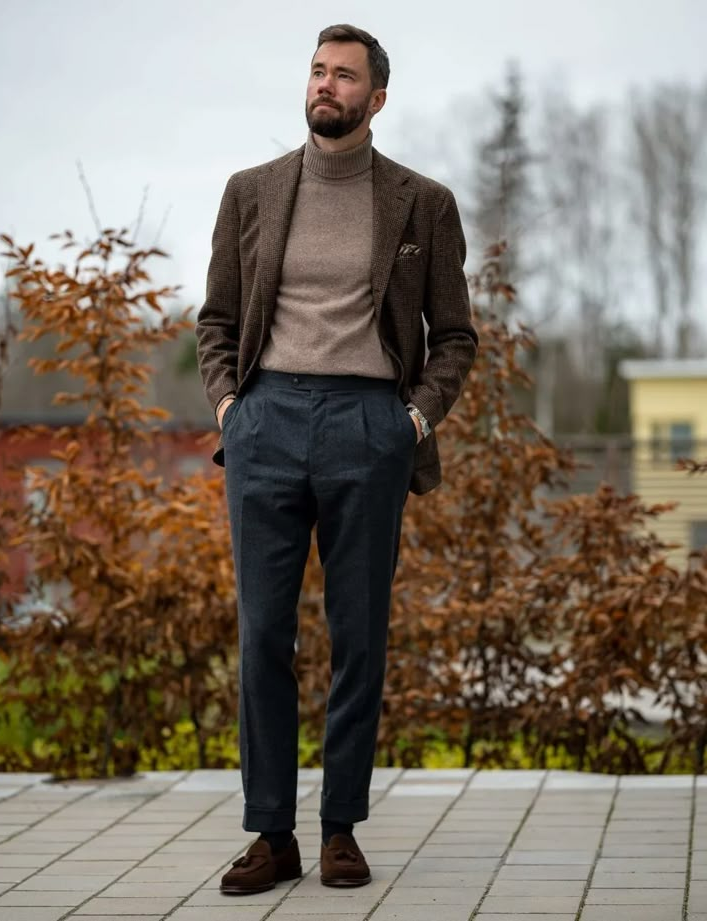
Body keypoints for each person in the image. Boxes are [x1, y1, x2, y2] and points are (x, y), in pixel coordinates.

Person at [195, 22, 478, 896]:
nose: (326, 85)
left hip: (369, 426)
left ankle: (339, 828)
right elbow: (215, 319)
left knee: (358, 638)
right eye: (318, 71)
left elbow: (456, 336)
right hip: (266, 421)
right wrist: (231, 409)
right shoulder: (251, 191)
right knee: (263, 638)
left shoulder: (421, 203)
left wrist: (414, 424)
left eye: (345, 75)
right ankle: (270, 833)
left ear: (376, 98)